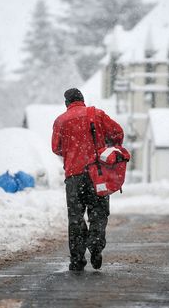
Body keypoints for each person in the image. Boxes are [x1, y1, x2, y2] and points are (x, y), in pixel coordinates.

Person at [51, 88, 124, 271]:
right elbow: (117, 133)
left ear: (67, 103)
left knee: (75, 218)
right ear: (82, 100)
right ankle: (96, 246)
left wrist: (72, 153)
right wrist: (105, 147)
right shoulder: (96, 114)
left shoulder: (61, 121)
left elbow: (56, 148)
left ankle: (77, 259)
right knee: (98, 214)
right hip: (97, 174)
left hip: (73, 177)